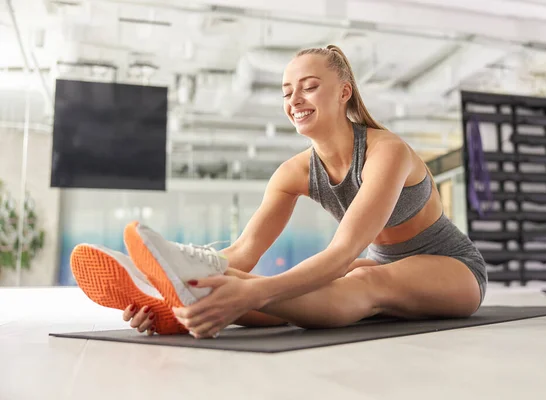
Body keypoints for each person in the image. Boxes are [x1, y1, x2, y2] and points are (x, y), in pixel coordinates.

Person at [123, 45, 487, 339]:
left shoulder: (386, 151)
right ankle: (181, 301)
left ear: (344, 92)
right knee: (293, 289)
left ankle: (184, 279)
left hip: (454, 269)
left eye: (309, 86)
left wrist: (254, 290)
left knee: (358, 279)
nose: (294, 99)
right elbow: (244, 252)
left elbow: (343, 253)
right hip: (385, 265)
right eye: (287, 92)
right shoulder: (292, 173)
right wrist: (170, 300)